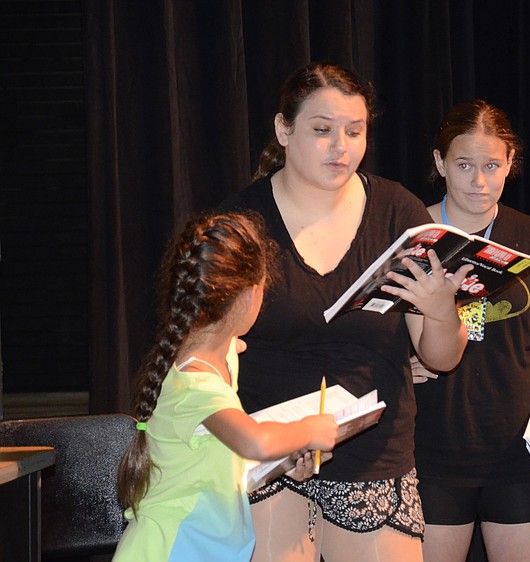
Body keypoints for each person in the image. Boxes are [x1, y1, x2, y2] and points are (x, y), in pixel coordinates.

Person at [217, 62, 473, 562]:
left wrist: (441, 310)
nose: (341, 147)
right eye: (322, 130)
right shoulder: (241, 221)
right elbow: (206, 353)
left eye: (355, 131)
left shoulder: (397, 211)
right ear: (283, 130)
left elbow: (442, 359)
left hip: (374, 455)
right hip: (271, 453)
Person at [411, 99, 530, 562]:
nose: (479, 181)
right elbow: (367, 329)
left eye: (491, 166)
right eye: (464, 165)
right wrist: (399, 365)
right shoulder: (411, 234)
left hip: (522, 444)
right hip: (430, 446)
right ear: (440, 162)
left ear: (510, 163)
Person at [114, 211, 339, 562]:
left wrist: (287, 460)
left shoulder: (218, 357)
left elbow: (222, 461)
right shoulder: (196, 385)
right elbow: (255, 441)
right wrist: (310, 430)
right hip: (169, 551)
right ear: (248, 295)